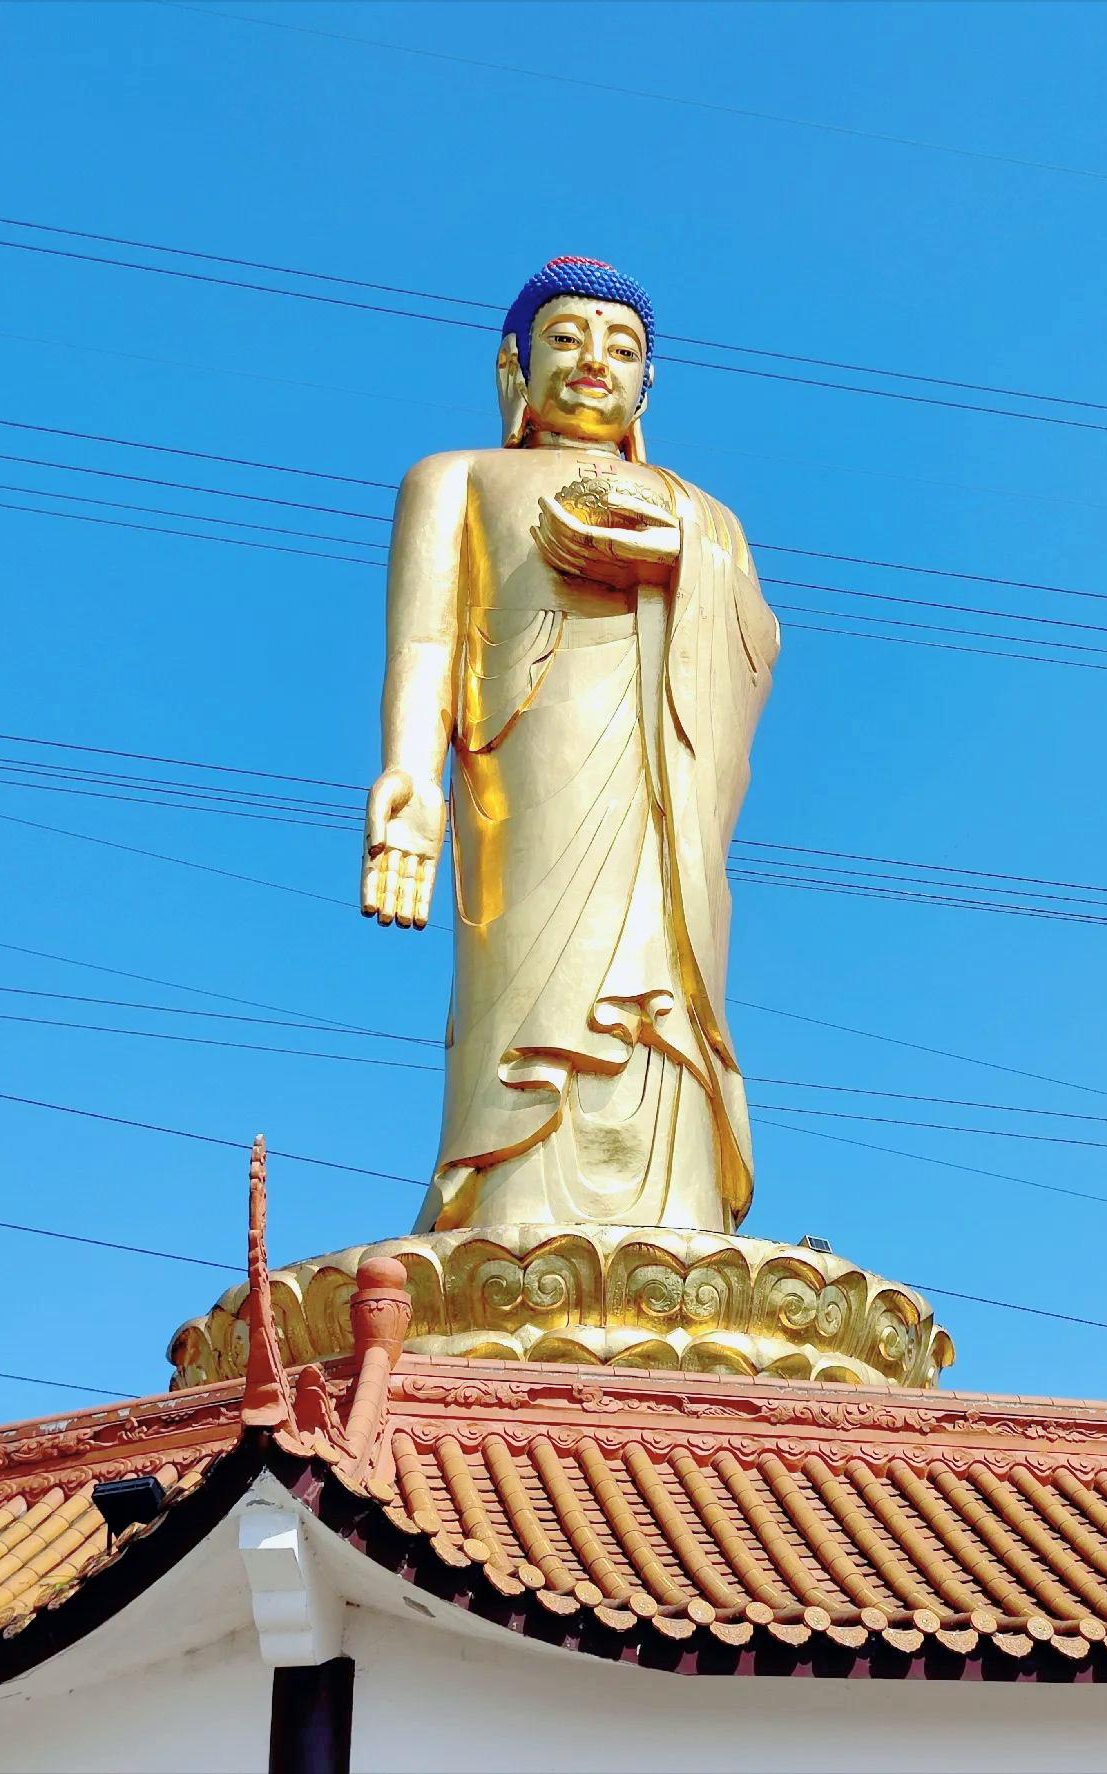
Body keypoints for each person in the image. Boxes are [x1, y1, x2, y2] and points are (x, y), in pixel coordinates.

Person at [360, 257, 778, 1237]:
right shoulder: (457, 479)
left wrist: (686, 567)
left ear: (648, 385)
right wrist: (408, 781)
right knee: (531, 992)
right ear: (513, 367)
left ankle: (675, 1223)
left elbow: (758, 643)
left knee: (660, 995)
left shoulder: (703, 517)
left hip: (660, 791)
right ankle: (503, 1211)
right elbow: (423, 640)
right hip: (528, 774)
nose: (595, 360)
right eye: (566, 337)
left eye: (621, 347)